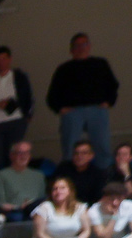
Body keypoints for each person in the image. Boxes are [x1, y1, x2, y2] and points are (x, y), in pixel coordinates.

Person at [46, 32, 118, 164]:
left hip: (97, 110)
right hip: (73, 112)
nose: (81, 48)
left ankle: (104, 176)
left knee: (102, 146)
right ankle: (70, 179)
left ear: (89, 46)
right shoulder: (64, 69)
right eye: (77, 45)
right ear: (71, 49)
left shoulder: (100, 64)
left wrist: (109, 102)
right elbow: (53, 93)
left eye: (84, 44)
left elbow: (112, 85)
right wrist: (59, 109)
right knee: (70, 148)